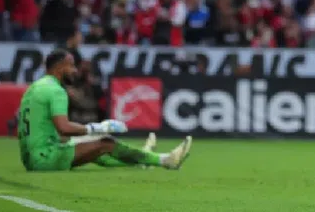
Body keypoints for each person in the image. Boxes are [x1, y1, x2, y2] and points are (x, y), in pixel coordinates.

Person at [17, 49, 192, 171]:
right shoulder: (56, 91)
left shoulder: (33, 88)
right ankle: (165, 160)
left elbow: (49, 130)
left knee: (94, 147)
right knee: (105, 143)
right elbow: (64, 128)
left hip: (30, 158)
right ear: (61, 67)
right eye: (72, 66)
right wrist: (98, 127)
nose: (75, 71)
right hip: (45, 159)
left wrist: (85, 136)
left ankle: (142, 160)